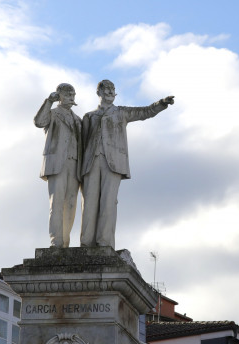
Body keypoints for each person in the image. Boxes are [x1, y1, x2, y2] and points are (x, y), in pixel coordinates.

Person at [80, 79, 174, 248]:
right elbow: (82, 144)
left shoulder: (121, 112)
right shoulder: (89, 116)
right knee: (89, 204)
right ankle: (86, 243)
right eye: (106, 89)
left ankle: (104, 243)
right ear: (98, 92)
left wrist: (161, 104)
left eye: (112, 89)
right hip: (90, 163)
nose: (110, 92)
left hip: (113, 162)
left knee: (108, 202)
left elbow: (145, 112)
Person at [34, 83, 83, 247]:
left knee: (70, 205)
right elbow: (39, 122)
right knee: (56, 204)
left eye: (73, 95)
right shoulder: (52, 113)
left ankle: (65, 242)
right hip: (56, 164)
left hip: (75, 165)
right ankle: (56, 241)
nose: (71, 98)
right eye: (68, 94)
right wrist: (49, 101)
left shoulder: (78, 120)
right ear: (59, 95)